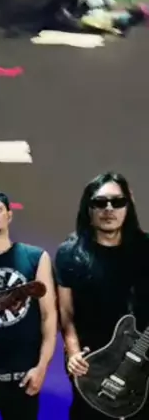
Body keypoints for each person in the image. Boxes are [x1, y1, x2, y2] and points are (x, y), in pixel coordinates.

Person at [55, 172, 149, 420]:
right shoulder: (69, 253)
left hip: (142, 361)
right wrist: (73, 352)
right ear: (88, 207)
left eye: (117, 202)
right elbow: (66, 314)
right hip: (92, 365)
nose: (109, 209)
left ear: (128, 206)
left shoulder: (145, 248)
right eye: (100, 202)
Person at [0, 190, 57, 420]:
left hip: (23, 377)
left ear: (9, 215)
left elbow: (49, 316)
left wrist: (42, 368)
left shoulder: (35, 257)